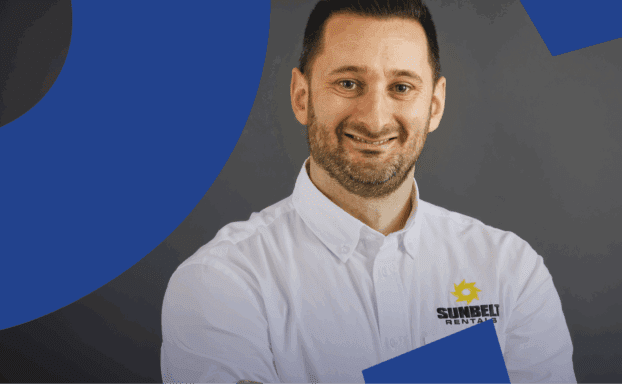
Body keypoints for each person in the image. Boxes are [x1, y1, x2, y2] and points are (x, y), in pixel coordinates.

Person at [160, 0, 577, 382]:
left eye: (401, 87)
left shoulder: (511, 271)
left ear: (434, 104)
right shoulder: (223, 281)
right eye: (347, 83)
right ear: (302, 96)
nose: (375, 120)